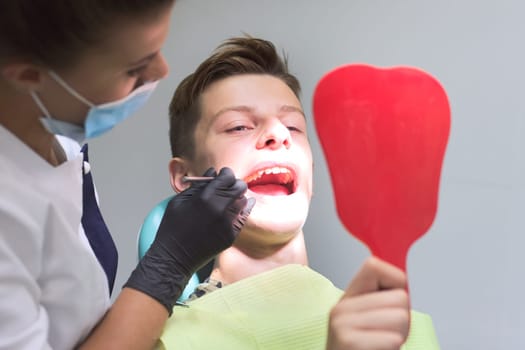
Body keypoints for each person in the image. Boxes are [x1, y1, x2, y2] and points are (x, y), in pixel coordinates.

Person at [158, 36, 441, 349]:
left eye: (293, 126)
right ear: (185, 178)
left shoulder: (407, 332)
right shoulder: (166, 340)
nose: (278, 134)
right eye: (239, 126)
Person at [0, 2, 252, 349]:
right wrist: (169, 264)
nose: (163, 70)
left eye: (292, 126)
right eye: (135, 68)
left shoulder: (61, 136)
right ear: (29, 76)